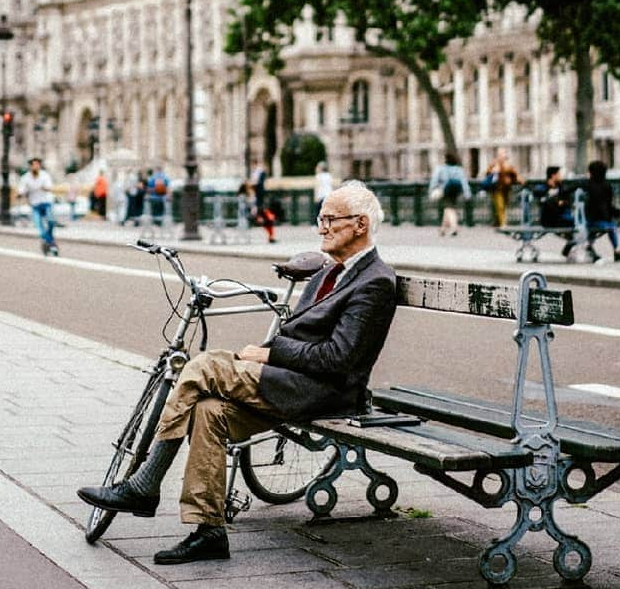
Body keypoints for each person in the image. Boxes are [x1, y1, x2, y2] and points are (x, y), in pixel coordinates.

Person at [78, 180, 397, 564]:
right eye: (321, 218)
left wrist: (269, 353)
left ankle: (145, 485)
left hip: (323, 392)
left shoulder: (375, 281)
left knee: (203, 366)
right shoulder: (329, 272)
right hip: (293, 380)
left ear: (360, 225)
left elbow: (338, 359)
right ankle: (209, 530)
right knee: (208, 412)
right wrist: (268, 355)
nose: (321, 228)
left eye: (330, 220)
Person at [583, 160, 620, 263]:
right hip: (600, 219)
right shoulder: (607, 185)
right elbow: (608, 204)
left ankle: (588, 245)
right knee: (611, 227)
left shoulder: (588, 185)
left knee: (609, 226)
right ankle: (616, 250)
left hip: (591, 219)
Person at [17, 156, 58, 255]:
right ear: (30, 167)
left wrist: (42, 187)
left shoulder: (45, 175)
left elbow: (50, 188)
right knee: (39, 226)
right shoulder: (25, 178)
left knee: (51, 221)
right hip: (35, 205)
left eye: (37, 165)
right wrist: (20, 194)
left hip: (46, 203)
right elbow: (21, 190)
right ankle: (51, 243)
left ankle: (48, 242)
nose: (36, 167)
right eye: (34, 165)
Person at [428, 151, 470, 236]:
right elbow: (464, 181)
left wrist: (431, 190)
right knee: (449, 208)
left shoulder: (441, 168)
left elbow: (434, 180)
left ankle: (454, 227)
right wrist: (467, 193)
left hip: (445, 190)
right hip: (456, 191)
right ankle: (442, 229)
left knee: (449, 209)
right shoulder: (459, 169)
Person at [537, 166, 576, 257]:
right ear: (553, 176)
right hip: (549, 218)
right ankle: (571, 246)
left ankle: (570, 245)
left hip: (560, 217)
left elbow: (567, 202)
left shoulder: (561, 187)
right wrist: (555, 201)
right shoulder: (544, 187)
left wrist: (561, 202)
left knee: (577, 227)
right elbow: (541, 199)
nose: (561, 176)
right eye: (559, 174)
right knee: (576, 226)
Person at [483, 147, 522, 227]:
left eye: (503, 153)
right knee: (500, 205)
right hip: (496, 187)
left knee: (504, 204)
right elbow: (487, 173)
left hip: (506, 188)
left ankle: (497, 221)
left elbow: (514, 173)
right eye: (500, 154)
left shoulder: (508, 164)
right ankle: (503, 223)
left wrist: (518, 178)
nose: (502, 155)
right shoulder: (494, 163)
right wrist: (493, 171)